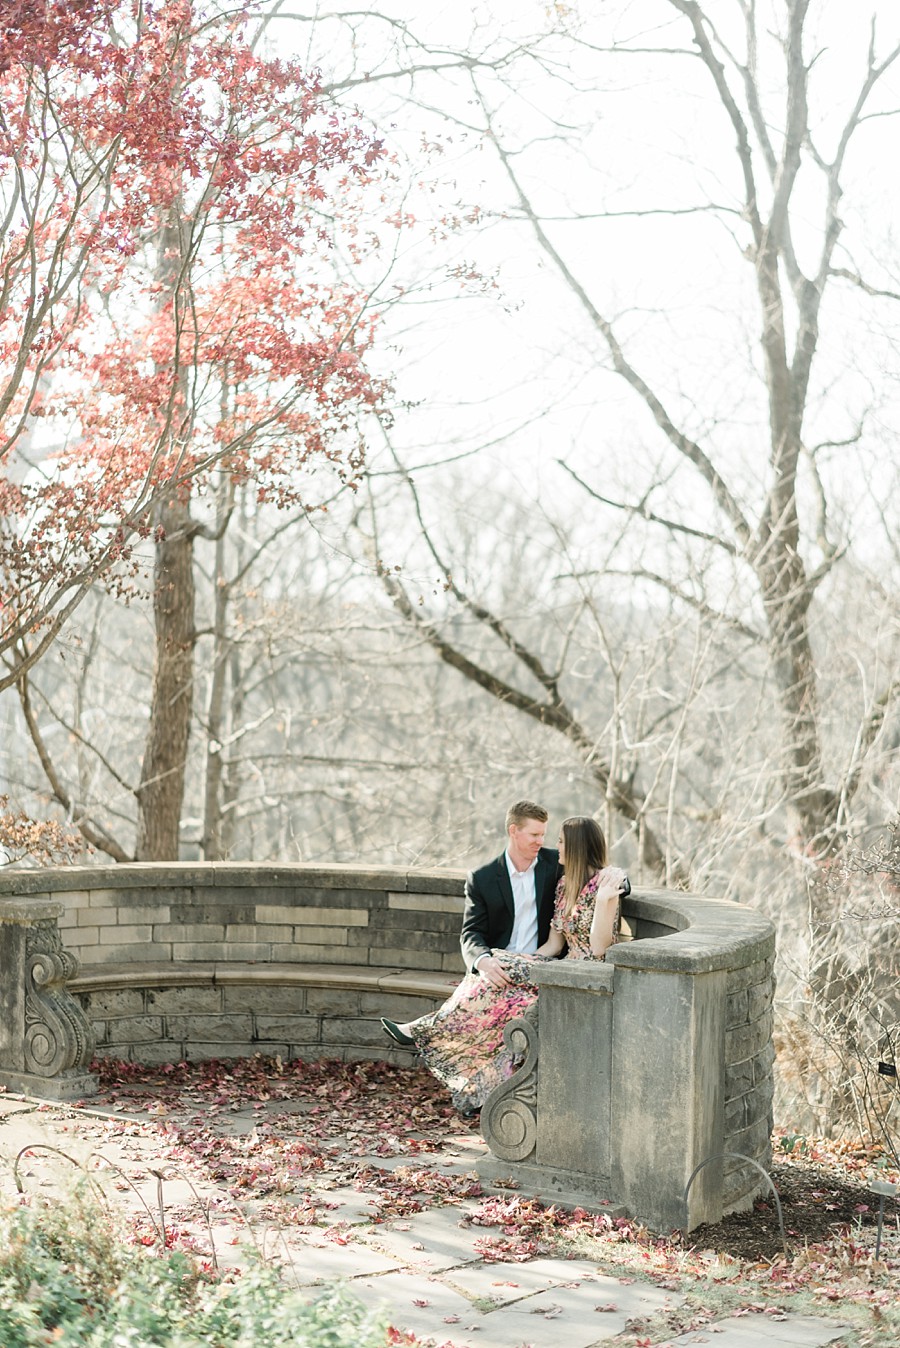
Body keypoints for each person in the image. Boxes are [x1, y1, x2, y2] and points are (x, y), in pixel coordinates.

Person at [381, 810, 629, 1116]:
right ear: (514, 831)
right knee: (494, 971)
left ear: (575, 847)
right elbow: (553, 945)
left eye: (559, 840)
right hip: (558, 966)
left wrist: (609, 893)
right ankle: (476, 1092)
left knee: (498, 965)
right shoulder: (564, 884)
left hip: (586, 973)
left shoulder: (601, 887)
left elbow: (600, 947)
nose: (552, 845)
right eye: (538, 836)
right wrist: (518, 964)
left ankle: (425, 1029)